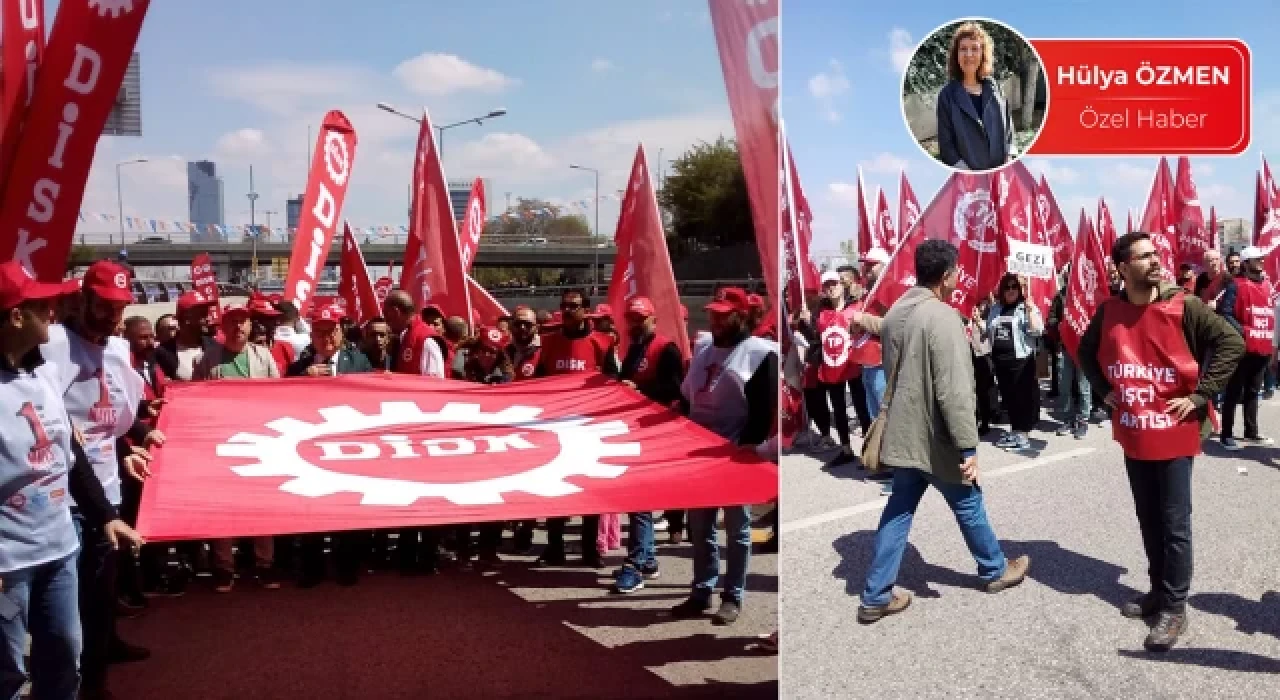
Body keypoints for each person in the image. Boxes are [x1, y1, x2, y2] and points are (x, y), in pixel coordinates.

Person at [1077, 232, 1244, 652]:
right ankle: (1156, 590)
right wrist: (1102, 388)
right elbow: (1085, 349)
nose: (1155, 261)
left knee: (1174, 523)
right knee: (1148, 515)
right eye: (1145, 256)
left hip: (1174, 430)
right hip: (1135, 429)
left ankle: (1174, 607)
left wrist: (1201, 395)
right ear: (1122, 267)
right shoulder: (1110, 310)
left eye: (1156, 254)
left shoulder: (1182, 304)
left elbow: (1231, 342)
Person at [857, 241, 1029, 624]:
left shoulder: (899, 309)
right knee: (968, 500)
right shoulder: (944, 316)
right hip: (936, 435)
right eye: (956, 272)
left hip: (902, 432)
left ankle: (875, 594)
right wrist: (968, 445)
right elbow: (954, 389)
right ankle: (995, 569)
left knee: (898, 511)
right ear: (947, 275)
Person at [0, 261, 144, 700]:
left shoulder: (41, 369)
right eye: (43, 304)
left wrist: (105, 514)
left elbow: (71, 450)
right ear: (16, 316)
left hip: (59, 544)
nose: (54, 310)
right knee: (7, 671)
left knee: (65, 651)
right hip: (9, 559)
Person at [40, 262, 159, 696]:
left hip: (109, 487)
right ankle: (86, 684)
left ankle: (104, 652)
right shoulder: (52, 346)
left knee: (103, 588)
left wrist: (137, 441)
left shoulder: (116, 350)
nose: (113, 317)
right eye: (106, 306)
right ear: (83, 299)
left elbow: (121, 416)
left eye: (120, 308)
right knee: (70, 608)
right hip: (65, 497)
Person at [670, 287, 777, 626]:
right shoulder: (702, 349)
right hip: (700, 455)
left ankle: (733, 596)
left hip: (735, 455)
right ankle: (701, 590)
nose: (715, 319)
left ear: (741, 316)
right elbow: (686, 397)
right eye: (713, 312)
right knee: (699, 528)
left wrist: (750, 447)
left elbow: (764, 409)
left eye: (723, 314)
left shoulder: (758, 354)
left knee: (738, 530)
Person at [193, 303, 283, 593]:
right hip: (222, 445)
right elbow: (195, 400)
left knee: (262, 507)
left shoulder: (263, 356)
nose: (238, 327)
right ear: (223, 325)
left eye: (242, 321)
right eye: (232, 321)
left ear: (249, 325)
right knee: (223, 509)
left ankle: (264, 564)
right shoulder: (209, 359)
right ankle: (224, 567)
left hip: (260, 444)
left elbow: (280, 397)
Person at [286, 303, 374, 587]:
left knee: (348, 511)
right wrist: (302, 381)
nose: (326, 337)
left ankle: (347, 567)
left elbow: (375, 401)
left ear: (341, 331)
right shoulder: (300, 367)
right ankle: (312, 569)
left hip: (350, 448)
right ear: (311, 335)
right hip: (312, 449)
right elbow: (281, 401)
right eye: (320, 331)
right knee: (312, 512)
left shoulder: (360, 362)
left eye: (332, 330)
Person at [535, 289, 618, 568]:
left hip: (588, 429)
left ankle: (589, 550)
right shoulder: (548, 344)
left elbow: (613, 384)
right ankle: (554, 547)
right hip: (555, 428)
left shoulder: (603, 343)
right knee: (554, 489)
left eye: (574, 306)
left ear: (586, 310)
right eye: (564, 306)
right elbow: (536, 385)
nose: (568, 311)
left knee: (589, 491)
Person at [612, 297, 686, 594]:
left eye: (640, 318)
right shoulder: (633, 349)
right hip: (633, 430)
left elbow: (677, 389)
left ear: (653, 320)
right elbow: (623, 380)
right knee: (636, 501)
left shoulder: (666, 349)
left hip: (655, 431)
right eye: (631, 318)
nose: (634, 324)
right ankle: (648, 560)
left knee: (639, 502)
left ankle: (636, 563)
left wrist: (640, 389)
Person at [382, 290, 447, 575]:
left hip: (423, 432)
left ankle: (428, 556)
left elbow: (435, 386)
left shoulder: (426, 339)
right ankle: (408, 553)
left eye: (387, 313)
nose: (385, 320)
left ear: (396, 310)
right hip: (406, 431)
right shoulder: (404, 338)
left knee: (427, 497)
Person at [974, 273, 1044, 451]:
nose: (1011, 290)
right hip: (1000, 361)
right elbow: (990, 330)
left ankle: (1024, 434)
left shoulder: (1025, 307)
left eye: (1014, 287)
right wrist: (978, 321)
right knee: (1009, 399)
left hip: (1021, 361)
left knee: (1022, 398)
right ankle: (1015, 431)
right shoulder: (997, 308)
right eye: (1007, 287)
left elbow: (1037, 330)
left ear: (1020, 290)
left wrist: (1029, 311)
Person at [935, 21, 1015, 172]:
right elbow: (946, 146)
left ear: (983, 53)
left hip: (1001, 177)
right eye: (963, 49)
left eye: (974, 49)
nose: (969, 54)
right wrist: (970, 176)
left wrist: (1008, 158)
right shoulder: (947, 96)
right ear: (956, 55)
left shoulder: (995, 88)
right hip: (970, 183)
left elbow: (1009, 130)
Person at [1218, 246, 1274, 451]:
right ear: (1246, 263)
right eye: (1256, 259)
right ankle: (1226, 434)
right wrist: (1244, 332)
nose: (1261, 261)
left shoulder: (1267, 285)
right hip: (1242, 348)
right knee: (1234, 391)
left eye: (1261, 258)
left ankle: (1251, 432)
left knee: (1253, 391)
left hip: (1263, 347)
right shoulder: (1236, 285)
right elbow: (1226, 312)